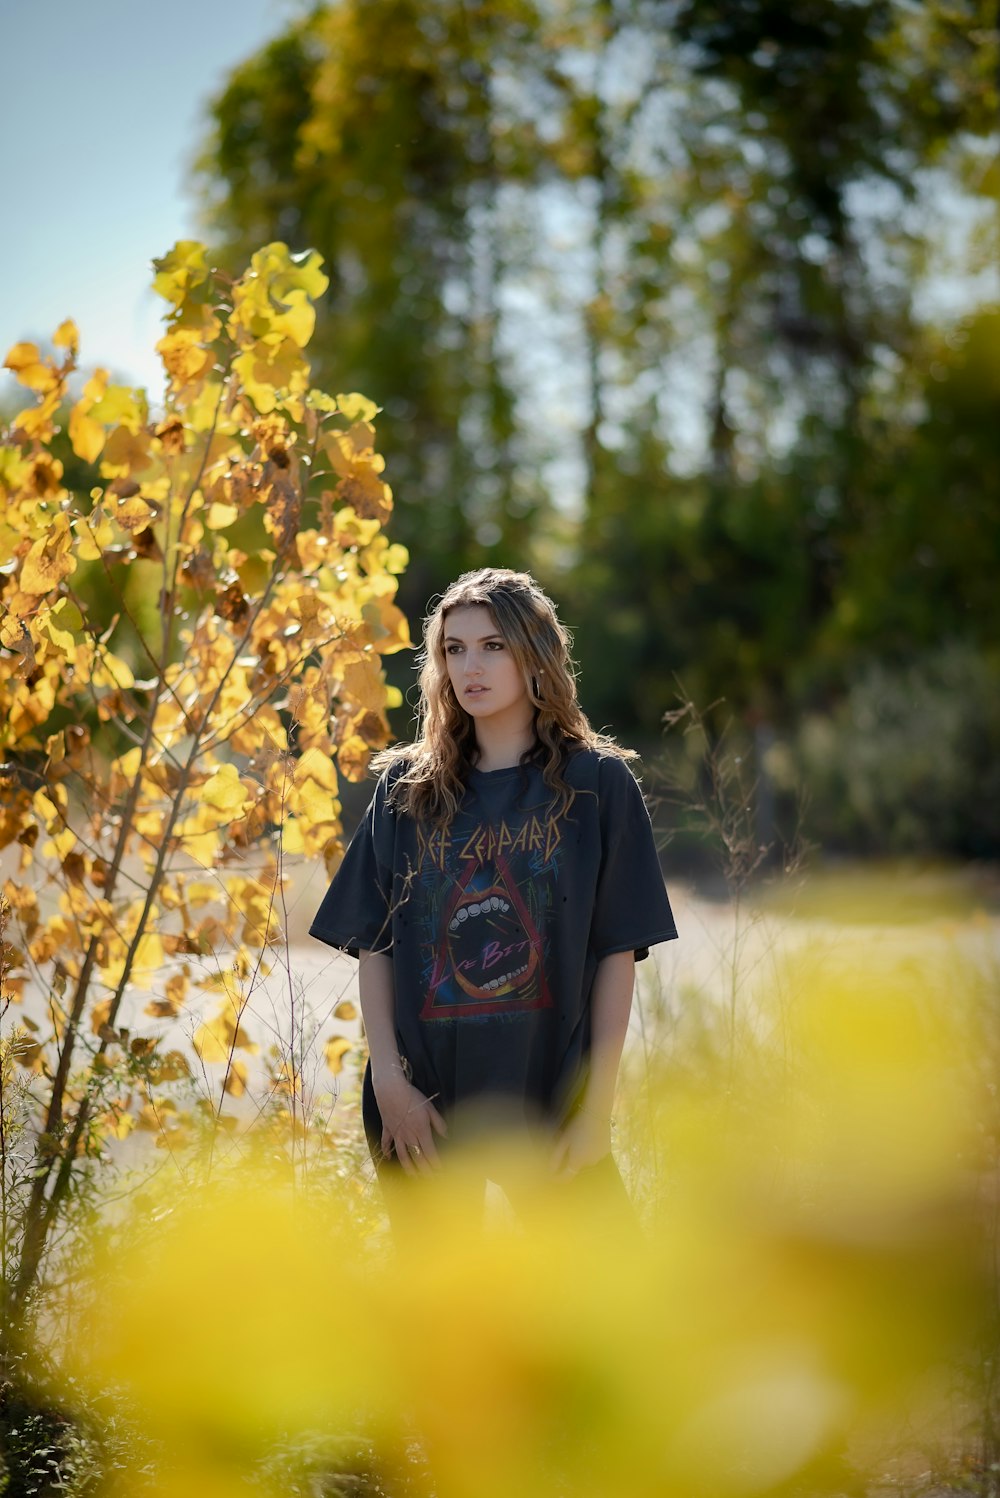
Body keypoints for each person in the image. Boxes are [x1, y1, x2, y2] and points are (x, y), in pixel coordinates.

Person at [309, 568, 677, 1219]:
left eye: (492, 646)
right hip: (422, 1107)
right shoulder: (405, 791)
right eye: (454, 648)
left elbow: (617, 954)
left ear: (534, 654)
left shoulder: (599, 786)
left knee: (597, 1306)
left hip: (549, 1103)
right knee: (447, 1313)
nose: (469, 666)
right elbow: (376, 946)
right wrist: (390, 1084)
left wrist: (595, 1113)